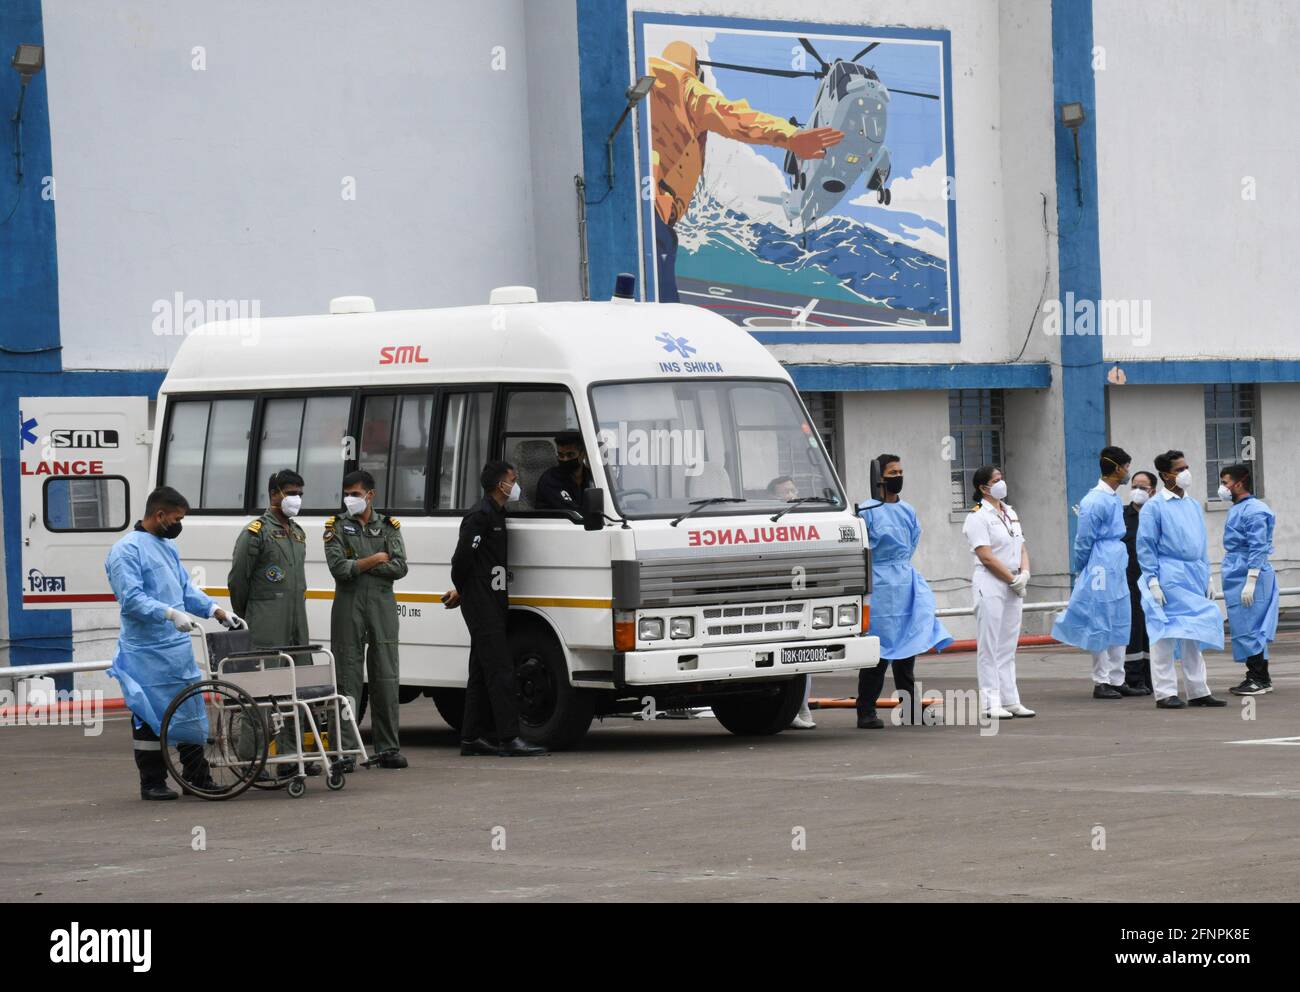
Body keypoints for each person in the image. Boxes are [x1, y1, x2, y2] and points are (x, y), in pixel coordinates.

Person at [648, 41, 844, 301]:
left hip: (629, 200)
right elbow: (735, 117)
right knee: (664, 312)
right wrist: (791, 136)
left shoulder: (643, 78)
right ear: (696, 69)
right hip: (654, 212)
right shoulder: (682, 84)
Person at [105, 486, 240, 800]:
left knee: (190, 713)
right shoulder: (126, 550)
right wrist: (168, 613)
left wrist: (215, 610)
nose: (180, 524)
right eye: (177, 518)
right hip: (146, 652)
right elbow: (132, 600)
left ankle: (197, 778)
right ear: (159, 515)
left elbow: (185, 590)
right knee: (150, 718)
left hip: (176, 652)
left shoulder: (166, 547)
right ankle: (152, 782)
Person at [446, 460, 546, 757]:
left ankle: (471, 737)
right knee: (501, 669)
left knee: (480, 669)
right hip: (481, 601)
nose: (516, 484)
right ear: (499, 484)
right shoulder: (480, 516)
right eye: (513, 479)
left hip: (493, 598)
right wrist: (464, 590)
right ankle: (509, 738)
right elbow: (461, 560)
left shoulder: (498, 514)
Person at [856, 454, 953, 729]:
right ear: (880, 477)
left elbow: (912, 541)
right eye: (892, 472)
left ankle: (910, 707)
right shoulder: (866, 511)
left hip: (904, 581)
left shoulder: (908, 510)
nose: (898, 476)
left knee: (908, 650)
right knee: (878, 652)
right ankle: (866, 711)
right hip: (879, 585)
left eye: (901, 471)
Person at [228, 469, 313, 772]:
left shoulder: (298, 531)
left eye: (300, 493)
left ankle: (292, 758)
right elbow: (239, 580)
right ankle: (251, 761)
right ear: (274, 493)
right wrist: (252, 615)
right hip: (266, 624)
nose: (296, 498)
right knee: (261, 694)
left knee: (297, 690)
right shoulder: (255, 532)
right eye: (291, 492)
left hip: (296, 625)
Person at [324, 470, 410, 768]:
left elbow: (399, 567)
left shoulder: (388, 525)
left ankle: (387, 748)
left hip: (382, 604)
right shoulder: (335, 526)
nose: (350, 499)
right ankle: (344, 751)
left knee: (385, 674)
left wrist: (359, 565)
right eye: (347, 493)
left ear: (370, 495)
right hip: (349, 604)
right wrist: (375, 559)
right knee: (347, 676)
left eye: (356, 494)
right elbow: (339, 568)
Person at [1052, 447, 1146, 699]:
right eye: (1126, 467)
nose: (1128, 472)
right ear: (1116, 468)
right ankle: (1101, 680)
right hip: (1100, 562)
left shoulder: (1113, 497)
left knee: (1120, 617)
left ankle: (1117, 678)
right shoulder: (1094, 500)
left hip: (1115, 560)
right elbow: (1083, 540)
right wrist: (1082, 568)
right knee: (1100, 619)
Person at [1136, 451, 1226, 709]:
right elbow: (1146, 545)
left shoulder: (1193, 504)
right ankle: (1165, 692)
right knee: (1164, 633)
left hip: (1194, 573)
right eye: (1180, 469)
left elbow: (1200, 542)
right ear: (1166, 475)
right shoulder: (1155, 506)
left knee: (1193, 632)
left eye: (1187, 466)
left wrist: (1207, 575)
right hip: (1169, 574)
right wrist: (1152, 580)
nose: (1186, 472)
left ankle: (1198, 690)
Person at [961, 466, 1034, 720]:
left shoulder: (1010, 511)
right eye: (996, 480)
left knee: (1008, 643)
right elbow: (986, 556)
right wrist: (1012, 579)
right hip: (991, 581)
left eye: (1002, 478)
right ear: (983, 487)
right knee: (989, 645)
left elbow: (1021, 546)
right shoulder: (978, 516)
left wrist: (1024, 573)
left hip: (1014, 580)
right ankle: (990, 702)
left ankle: (1010, 699)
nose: (1001, 483)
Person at [1219, 463, 1278, 695]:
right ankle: (1260, 676)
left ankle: (1257, 678)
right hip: (1238, 571)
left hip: (1249, 572)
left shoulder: (1254, 510)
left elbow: (1258, 546)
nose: (1222, 488)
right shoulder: (1239, 509)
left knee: (1253, 626)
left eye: (1225, 483)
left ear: (1239, 483)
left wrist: (1252, 579)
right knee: (1246, 625)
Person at [1122, 471, 1157, 694]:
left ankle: (1151, 677)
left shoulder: (1157, 514)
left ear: (1153, 491)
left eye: (1143, 487)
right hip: (1128, 581)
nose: (1137, 490)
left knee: (1152, 630)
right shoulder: (1121, 515)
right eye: (1134, 486)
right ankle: (1133, 678)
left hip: (1153, 582)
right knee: (1133, 630)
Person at [534, 432, 592, 511]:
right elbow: (573, 512)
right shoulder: (550, 480)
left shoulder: (591, 477)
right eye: (561, 455)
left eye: (570, 455)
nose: (565, 459)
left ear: (583, 454)